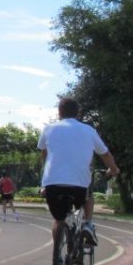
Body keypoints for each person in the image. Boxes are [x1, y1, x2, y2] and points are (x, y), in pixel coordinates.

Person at [37, 97, 119, 248]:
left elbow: (44, 154)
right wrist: (113, 170)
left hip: (52, 185)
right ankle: (87, 223)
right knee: (88, 193)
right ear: (78, 113)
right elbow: (105, 155)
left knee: (58, 220)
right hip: (78, 186)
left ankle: (58, 260)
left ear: (59, 112)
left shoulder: (48, 129)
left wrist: (44, 179)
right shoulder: (89, 130)